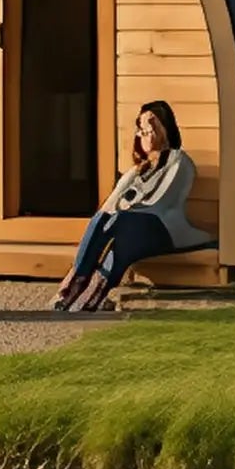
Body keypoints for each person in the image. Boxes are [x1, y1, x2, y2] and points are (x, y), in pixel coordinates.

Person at [52, 102, 195, 313]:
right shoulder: (136, 172)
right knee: (119, 239)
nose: (146, 134)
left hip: (164, 230)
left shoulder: (179, 161)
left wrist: (123, 209)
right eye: (142, 129)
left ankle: (75, 282)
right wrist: (115, 211)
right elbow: (109, 205)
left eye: (151, 127)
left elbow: (160, 202)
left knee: (120, 220)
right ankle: (89, 292)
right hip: (134, 231)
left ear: (165, 128)